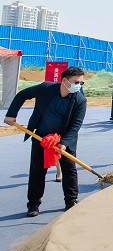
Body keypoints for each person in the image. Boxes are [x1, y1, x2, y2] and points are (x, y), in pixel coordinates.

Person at [4, 67, 87, 217]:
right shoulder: (45, 89)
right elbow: (23, 94)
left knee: (69, 170)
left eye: (81, 83)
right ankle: (33, 204)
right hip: (41, 138)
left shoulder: (80, 100)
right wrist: (11, 114)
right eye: (76, 82)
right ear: (64, 81)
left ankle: (71, 201)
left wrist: (64, 143)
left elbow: (76, 125)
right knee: (37, 171)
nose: (79, 85)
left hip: (64, 139)